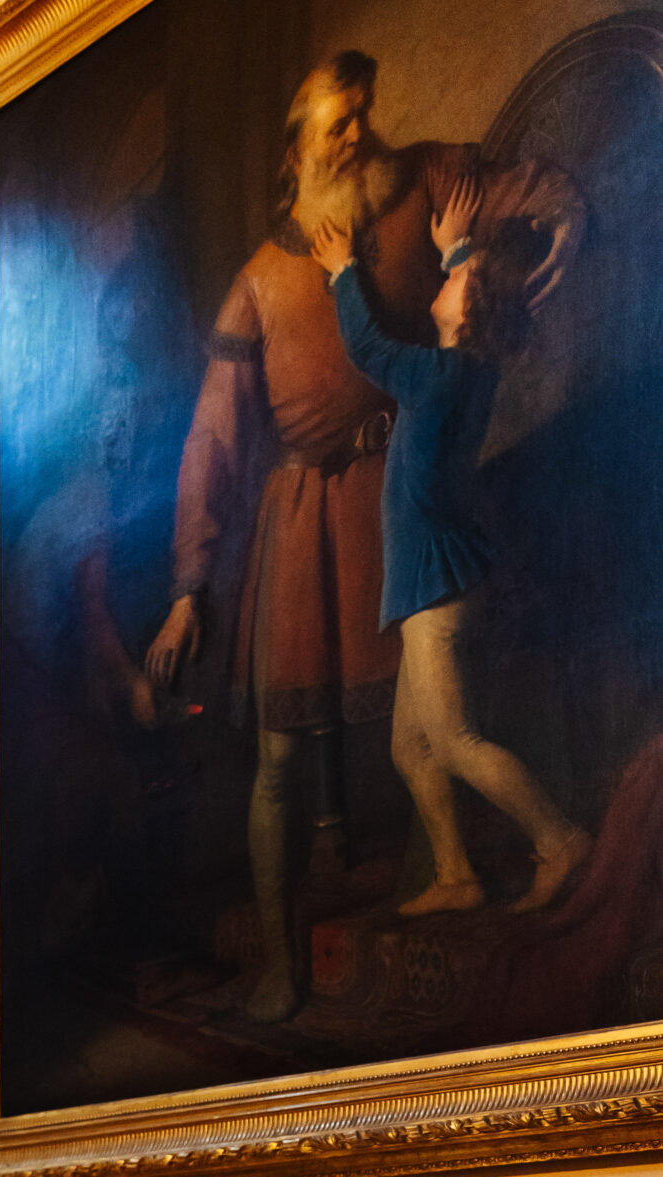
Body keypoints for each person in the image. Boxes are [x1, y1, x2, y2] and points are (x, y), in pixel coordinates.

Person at [146, 50, 580, 1017]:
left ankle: (486, 864)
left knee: (437, 721)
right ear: (296, 147)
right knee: (299, 756)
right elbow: (213, 444)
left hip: (408, 503)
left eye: (363, 114)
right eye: (339, 121)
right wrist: (188, 586)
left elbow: (531, 186)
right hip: (307, 524)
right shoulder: (258, 281)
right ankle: (279, 961)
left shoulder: (421, 184)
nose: (361, 132)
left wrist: (565, 221)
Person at [313, 185, 592, 915]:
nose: (445, 283)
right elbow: (470, 308)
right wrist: (458, 250)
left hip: (432, 590)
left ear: (464, 311)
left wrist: (343, 269)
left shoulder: (434, 380)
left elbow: (367, 347)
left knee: (457, 740)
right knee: (412, 750)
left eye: (456, 281)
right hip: (433, 581)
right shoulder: (469, 368)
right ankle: (455, 876)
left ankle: (559, 841)